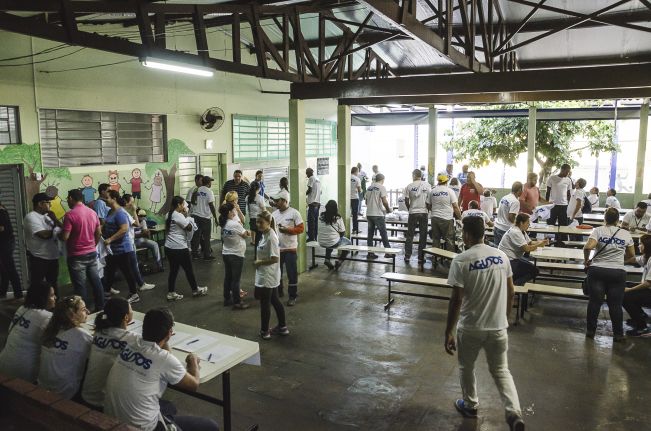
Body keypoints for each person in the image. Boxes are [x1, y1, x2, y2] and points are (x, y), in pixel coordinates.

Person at [444, 217, 525, 431]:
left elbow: (456, 300)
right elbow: (511, 291)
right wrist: (504, 318)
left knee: (466, 366)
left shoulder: (461, 260)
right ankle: (514, 412)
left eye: (463, 233)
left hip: (471, 327)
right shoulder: (501, 257)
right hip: (498, 327)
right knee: (501, 370)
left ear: (467, 235)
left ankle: (470, 405)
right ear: (483, 233)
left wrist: (448, 331)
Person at [104, 308, 219, 431]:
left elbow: (165, 355)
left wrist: (165, 338)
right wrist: (193, 361)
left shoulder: (131, 344)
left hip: (112, 420)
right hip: (144, 428)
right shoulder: (163, 359)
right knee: (211, 426)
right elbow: (193, 384)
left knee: (169, 407)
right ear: (170, 332)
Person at [583, 207, 635, 341]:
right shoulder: (625, 234)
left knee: (595, 302)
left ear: (604, 218)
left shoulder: (598, 230)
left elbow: (588, 247)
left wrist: (586, 261)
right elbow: (632, 256)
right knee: (615, 304)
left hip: (597, 270)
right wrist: (619, 261)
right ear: (618, 220)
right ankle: (618, 334)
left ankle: (590, 331)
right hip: (617, 272)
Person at [81, 297, 138, 409]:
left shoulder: (99, 332)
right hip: (104, 404)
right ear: (126, 317)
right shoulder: (132, 339)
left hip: (86, 396)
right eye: (131, 310)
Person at [0, 282, 56, 382]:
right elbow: (52, 348)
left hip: (3, 363)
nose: (55, 297)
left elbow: (9, 330)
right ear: (42, 298)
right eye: (52, 295)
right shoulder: (46, 317)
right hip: (23, 373)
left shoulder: (22, 308)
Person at [38, 295, 92, 399]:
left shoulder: (50, 330)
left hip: (42, 386)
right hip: (65, 393)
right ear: (71, 315)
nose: (88, 312)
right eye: (83, 309)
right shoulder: (82, 336)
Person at [61, 189, 104, 311]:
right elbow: (99, 233)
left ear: (71, 198)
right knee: (96, 282)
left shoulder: (70, 215)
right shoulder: (92, 212)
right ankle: (101, 308)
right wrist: (93, 245)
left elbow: (65, 237)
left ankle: (83, 312)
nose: (67, 201)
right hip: (91, 253)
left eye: (67, 199)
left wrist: (58, 233)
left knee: (80, 286)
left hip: (76, 256)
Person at [164, 196, 208, 301]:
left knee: (173, 270)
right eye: (183, 204)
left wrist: (184, 216)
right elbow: (189, 227)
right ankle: (195, 290)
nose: (184, 206)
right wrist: (187, 215)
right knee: (188, 269)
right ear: (179, 205)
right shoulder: (178, 215)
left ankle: (171, 293)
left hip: (169, 246)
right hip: (179, 247)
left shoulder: (168, 214)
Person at [255, 211, 289, 340]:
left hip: (268, 275)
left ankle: (265, 331)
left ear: (269, 223)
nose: (258, 224)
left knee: (265, 303)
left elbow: (275, 258)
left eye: (261, 222)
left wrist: (259, 262)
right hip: (266, 273)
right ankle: (282, 327)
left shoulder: (271, 237)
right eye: (257, 222)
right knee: (274, 299)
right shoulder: (264, 234)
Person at [102, 190, 140, 304]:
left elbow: (124, 229)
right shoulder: (110, 212)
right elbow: (106, 226)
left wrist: (110, 239)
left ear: (114, 199)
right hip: (112, 249)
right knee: (110, 271)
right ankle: (106, 293)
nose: (105, 200)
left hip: (123, 248)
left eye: (107, 198)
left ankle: (134, 294)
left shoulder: (120, 213)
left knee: (127, 271)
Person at [24, 193, 62, 294]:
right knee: (37, 285)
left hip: (53, 257)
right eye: (48, 202)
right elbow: (44, 235)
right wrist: (55, 227)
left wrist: (55, 219)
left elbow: (63, 229)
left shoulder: (48, 216)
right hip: (39, 258)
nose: (50, 205)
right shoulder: (31, 217)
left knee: (53, 284)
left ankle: (54, 302)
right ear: (40, 204)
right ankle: (35, 303)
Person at [272, 190, 304, 306]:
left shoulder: (294, 213)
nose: (275, 203)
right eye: (275, 201)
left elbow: (301, 229)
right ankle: (279, 291)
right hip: (277, 249)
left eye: (278, 201)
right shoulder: (274, 214)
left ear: (285, 201)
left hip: (290, 248)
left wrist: (288, 230)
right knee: (277, 272)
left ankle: (292, 295)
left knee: (292, 273)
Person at [498, 213, 548, 285]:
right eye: (527, 223)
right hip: (508, 261)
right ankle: (514, 286)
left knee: (532, 268)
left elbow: (530, 242)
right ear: (521, 223)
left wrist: (542, 242)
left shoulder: (521, 230)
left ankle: (513, 282)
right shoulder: (515, 232)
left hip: (512, 259)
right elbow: (526, 249)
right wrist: (539, 245)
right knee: (534, 271)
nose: (529, 225)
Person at [219, 202, 250, 309]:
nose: (235, 212)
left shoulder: (224, 223)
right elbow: (245, 235)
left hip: (226, 253)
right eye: (233, 210)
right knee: (236, 280)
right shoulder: (234, 224)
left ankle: (227, 299)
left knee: (228, 277)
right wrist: (248, 232)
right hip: (236, 254)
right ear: (229, 212)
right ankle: (237, 302)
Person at [122, 194, 156, 293]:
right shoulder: (124, 213)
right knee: (133, 266)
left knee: (129, 266)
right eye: (132, 202)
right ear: (126, 202)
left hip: (126, 242)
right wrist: (134, 211)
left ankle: (107, 289)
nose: (134, 204)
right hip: (128, 242)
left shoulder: (121, 212)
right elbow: (136, 224)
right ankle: (139, 286)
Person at [623, 234, 651, 336]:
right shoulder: (647, 256)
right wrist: (621, 262)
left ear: (647, 246)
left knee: (625, 296)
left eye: (640, 244)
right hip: (648, 288)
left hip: (649, 289)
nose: (638, 246)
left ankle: (642, 327)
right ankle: (640, 316)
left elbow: (648, 283)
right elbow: (634, 259)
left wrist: (630, 290)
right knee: (624, 285)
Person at [404, 169, 432, 263]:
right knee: (423, 235)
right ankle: (421, 257)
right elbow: (429, 201)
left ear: (414, 175)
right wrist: (427, 210)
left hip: (413, 212)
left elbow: (406, 200)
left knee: (410, 235)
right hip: (423, 212)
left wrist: (410, 208)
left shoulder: (409, 186)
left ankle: (407, 256)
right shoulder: (427, 185)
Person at [428, 174, 461, 251]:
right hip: (447, 218)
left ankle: (435, 256)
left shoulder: (432, 191)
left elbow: (428, 205)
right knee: (449, 239)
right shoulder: (450, 191)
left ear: (438, 181)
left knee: (436, 239)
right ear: (446, 181)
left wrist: (434, 211)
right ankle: (449, 257)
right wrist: (460, 217)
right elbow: (455, 206)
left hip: (435, 218)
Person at [364, 173, 392, 258]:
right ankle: (388, 252)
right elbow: (384, 201)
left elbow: (366, 202)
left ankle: (370, 253)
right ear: (382, 180)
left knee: (370, 234)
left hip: (369, 213)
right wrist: (388, 209)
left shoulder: (369, 187)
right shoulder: (381, 187)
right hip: (378, 214)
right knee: (383, 233)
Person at [317, 200, 351, 269]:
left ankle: (327, 259)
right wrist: (338, 236)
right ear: (336, 208)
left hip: (321, 241)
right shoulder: (337, 218)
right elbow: (342, 232)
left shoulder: (321, 216)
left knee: (330, 240)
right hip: (332, 242)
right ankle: (340, 261)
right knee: (348, 243)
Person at [191, 176, 217, 261]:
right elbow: (211, 205)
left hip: (195, 216)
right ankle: (207, 255)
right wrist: (215, 218)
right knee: (206, 237)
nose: (211, 183)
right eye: (210, 182)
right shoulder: (209, 191)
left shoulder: (196, 190)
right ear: (208, 183)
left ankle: (195, 254)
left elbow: (192, 202)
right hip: (205, 218)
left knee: (196, 236)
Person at [0, 200, 22, 299]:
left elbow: (2, 228)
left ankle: (18, 294)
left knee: (10, 268)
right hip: (5, 242)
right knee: (4, 269)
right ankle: (2, 292)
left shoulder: (1, 212)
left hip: (6, 243)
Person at [545, 164, 573, 238]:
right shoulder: (552, 178)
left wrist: (569, 205)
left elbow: (568, 194)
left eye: (568, 172)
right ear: (562, 170)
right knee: (550, 224)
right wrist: (547, 204)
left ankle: (562, 242)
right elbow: (548, 192)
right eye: (566, 171)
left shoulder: (568, 180)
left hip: (564, 206)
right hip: (553, 205)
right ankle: (548, 241)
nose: (567, 173)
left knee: (563, 226)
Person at [493, 182, 523, 246]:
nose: (522, 192)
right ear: (519, 190)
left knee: (497, 249)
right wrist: (518, 224)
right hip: (505, 229)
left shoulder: (504, 197)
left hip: (497, 226)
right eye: (522, 190)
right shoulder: (515, 201)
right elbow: (511, 217)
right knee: (505, 250)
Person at [247, 181, 267, 252]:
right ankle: (258, 253)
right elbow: (264, 209)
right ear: (258, 189)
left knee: (254, 233)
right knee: (259, 237)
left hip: (252, 218)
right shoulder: (260, 198)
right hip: (259, 219)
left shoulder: (248, 197)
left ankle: (254, 243)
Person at [306, 167, 322, 242]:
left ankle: (311, 238)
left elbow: (309, 189)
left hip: (312, 203)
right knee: (315, 222)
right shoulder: (318, 179)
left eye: (307, 173)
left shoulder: (311, 178)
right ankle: (315, 237)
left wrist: (303, 195)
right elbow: (320, 192)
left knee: (310, 222)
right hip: (317, 203)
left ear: (310, 173)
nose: (306, 175)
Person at [350, 166, 362, 234]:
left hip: (347, 198)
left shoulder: (347, 177)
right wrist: (361, 190)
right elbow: (360, 190)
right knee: (355, 215)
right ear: (356, 171)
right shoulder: (357, 179)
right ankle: (355, 229)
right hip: (354, 198)